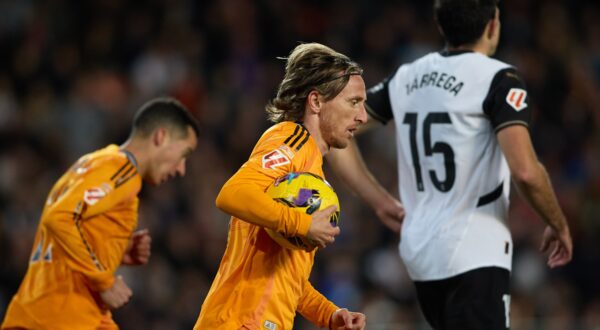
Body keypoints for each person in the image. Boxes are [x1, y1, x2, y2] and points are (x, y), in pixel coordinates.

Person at [326, 0, 573, 329]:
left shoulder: (406, 77)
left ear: (442, 26)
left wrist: (378, 201)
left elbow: (333, 130)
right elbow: (526, 171)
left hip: (422, 253)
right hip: (474, 248)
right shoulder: (500, 79)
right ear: (492, 25)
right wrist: (557, 223)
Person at [194, 43, 367, 330]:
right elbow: (232, 194)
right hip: (240, 321)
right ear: (316, 102)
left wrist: (330, 315)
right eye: (353, 102)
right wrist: (301, 223)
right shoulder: (291, 139)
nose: (361, 116)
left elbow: (288, 277)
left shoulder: (311, 173)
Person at [1, 97, 200, 330]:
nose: (181, 169)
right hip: (61, 318)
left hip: (50, 312)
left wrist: (115, 249)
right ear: (160, 137)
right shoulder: (121, 171)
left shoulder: (94, 163)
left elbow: (70, 223)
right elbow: (61, 217)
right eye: (183, 154)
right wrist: (104, 281)